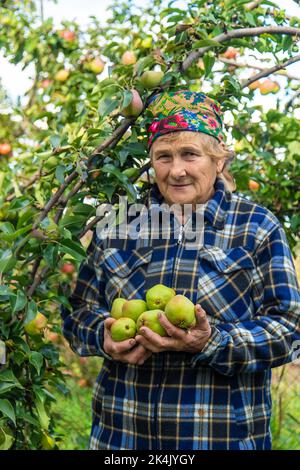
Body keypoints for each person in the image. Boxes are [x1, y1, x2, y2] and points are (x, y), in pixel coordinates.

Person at [60, 90, 300, 450]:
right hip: (123, 439)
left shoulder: (256, 227)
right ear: (152, 161)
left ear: (217, 160)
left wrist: (212, 341)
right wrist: (104, 338)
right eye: (163, 157)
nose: (176, 170)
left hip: (218, 438)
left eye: (190, 154)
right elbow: (77, 315)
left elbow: (289, 329)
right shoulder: (118, 226)